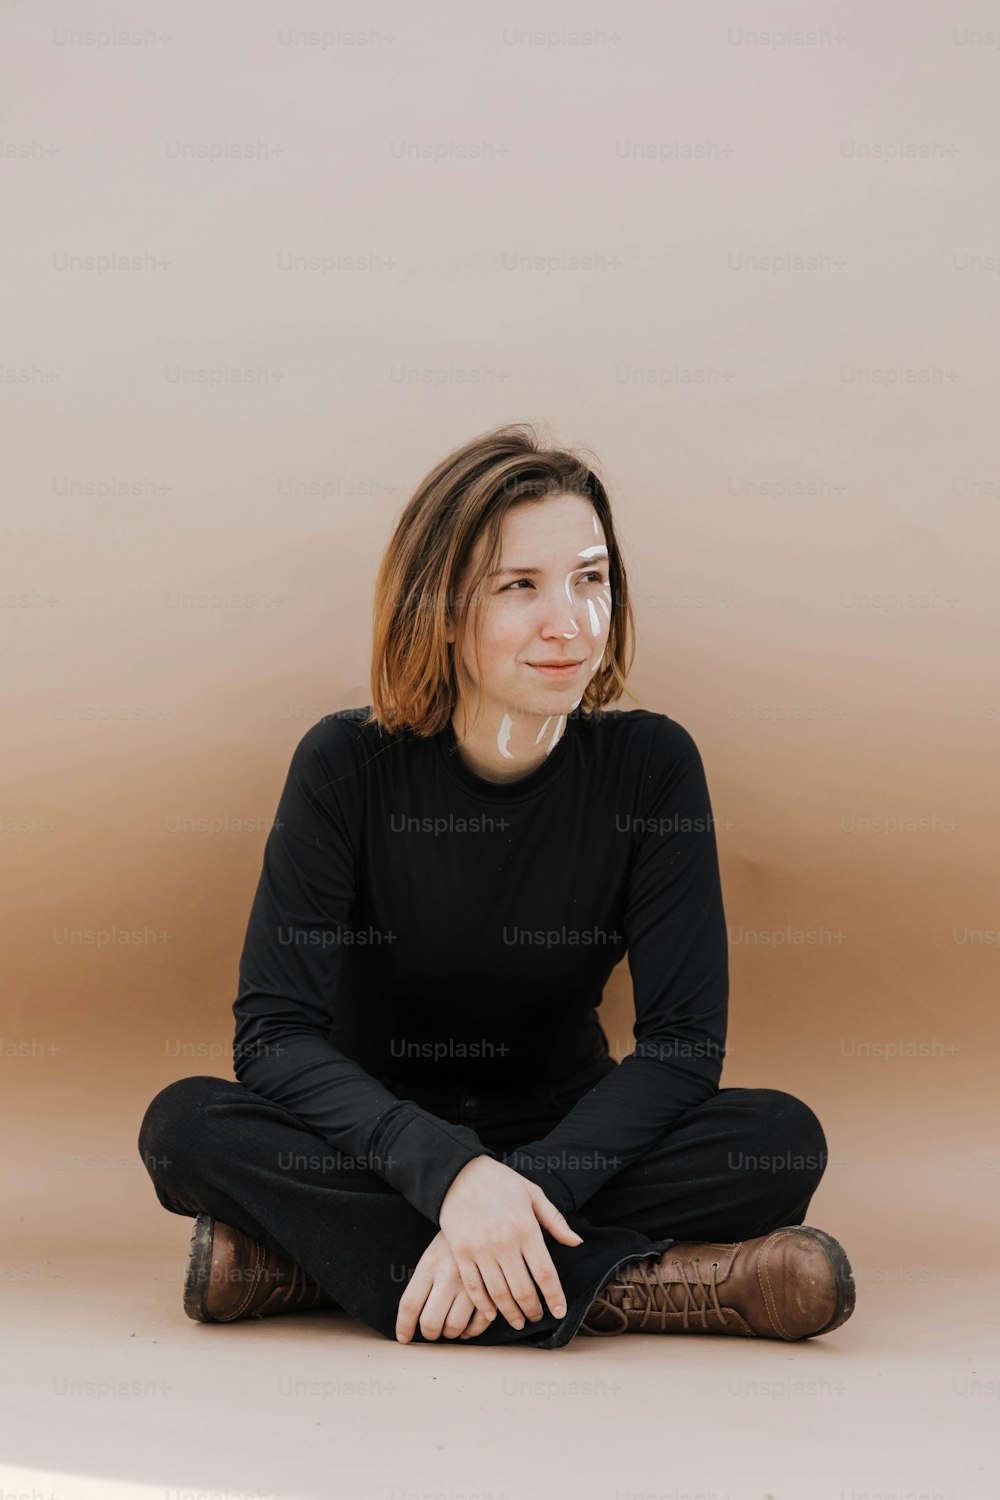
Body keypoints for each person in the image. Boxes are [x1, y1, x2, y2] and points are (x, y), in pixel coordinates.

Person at [137, 422, 855, 1348]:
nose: (571, 623)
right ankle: (632, 1288)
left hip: (570, 1134)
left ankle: (313, 1267)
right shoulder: (343, 764)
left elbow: (682, 1046)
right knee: (183, 1129)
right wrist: (453, 1178)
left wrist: (534, 1187)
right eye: (520, 586)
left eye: (590, 578)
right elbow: (273, 1038)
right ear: (438, 607)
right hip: (378, 1136)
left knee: (783, 1141)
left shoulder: (653, 765)